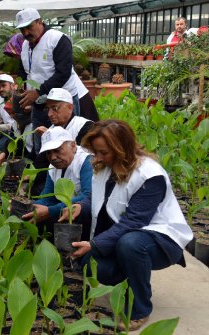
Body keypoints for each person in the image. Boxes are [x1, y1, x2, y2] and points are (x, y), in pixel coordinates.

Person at [60, 120, 193, 331]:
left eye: (103, 152)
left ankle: (140, 309)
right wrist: (80, 207)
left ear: (121, 148)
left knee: (130, 244)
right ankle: (131, 274)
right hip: (124, 237)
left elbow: (134, 222)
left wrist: (94, 244)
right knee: (91, 266)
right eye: (96, 152)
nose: (98, 157)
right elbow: (99, 200)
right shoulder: (106, 167)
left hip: (159, 240)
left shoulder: (150, 175)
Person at [14, 8, 98, 155]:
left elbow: (63, 73)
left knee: (65, 144)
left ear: (39, 21)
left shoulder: (58, 39)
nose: (26, 33)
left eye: (29, 27)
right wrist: (23, 89)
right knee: (41, 143)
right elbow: (25, 71)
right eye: (22, 29)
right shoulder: (26, 45)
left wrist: (38, 91)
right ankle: (44, 176)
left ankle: (69, 175)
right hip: (39, 104)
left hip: (62, 103)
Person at [22, 127, 92, 239]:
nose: (53, 157)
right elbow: (48, 198)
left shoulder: (86, 162)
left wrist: (50, 211)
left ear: (73, 146)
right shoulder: (53, 166)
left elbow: (88, 196)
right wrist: (27, 208)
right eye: (48, 153)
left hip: (86, 217)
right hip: (64, 211)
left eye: (57, 150)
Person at [30, 88, 95, 196]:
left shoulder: (85, 126)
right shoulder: (51, 129)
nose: (50, 114)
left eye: (55, 108)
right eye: (48, 109)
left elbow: (82, 157)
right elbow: (42, 161)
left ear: (70, 107)